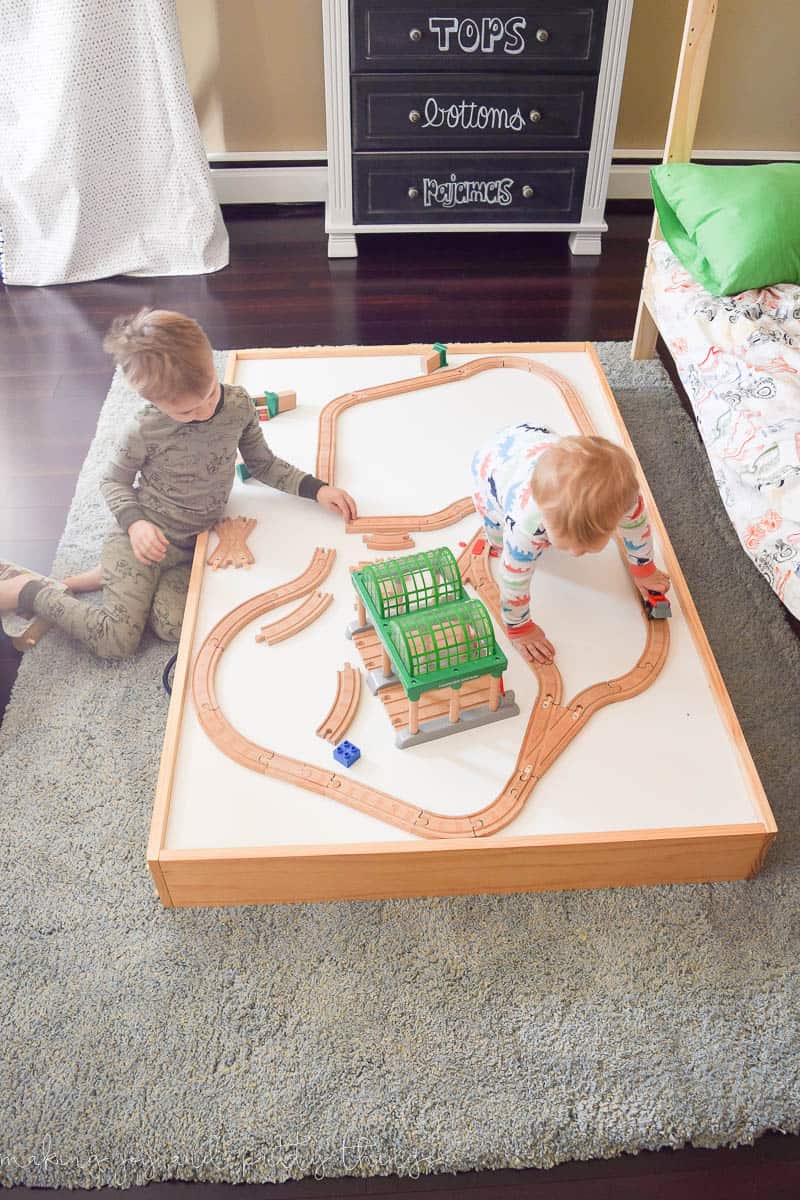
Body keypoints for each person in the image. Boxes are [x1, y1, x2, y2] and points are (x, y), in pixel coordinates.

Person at [0, 308, 357, 659]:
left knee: (172, 626)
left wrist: (317, 489)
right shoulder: (143, 428)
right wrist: (136, 524)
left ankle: (104, 577)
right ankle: (29, 591)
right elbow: (113, 480)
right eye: (186, 411)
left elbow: (263, 464)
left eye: (209, 395)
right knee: (117, 642)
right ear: (152, 401)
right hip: (141, 540)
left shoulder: (237, 405)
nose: (202, 412)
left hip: (192, 545)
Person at [471, 422, 671, 664]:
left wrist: (644, 568)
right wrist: (519, 628)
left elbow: (637, 529)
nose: (576, 554)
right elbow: (513, 582)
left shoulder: (625, 498)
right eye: (568, 545)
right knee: (498, 539)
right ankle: (499, 540)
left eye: (586, 546)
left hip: (537, 441)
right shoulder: (525, 525)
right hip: (490, 469)